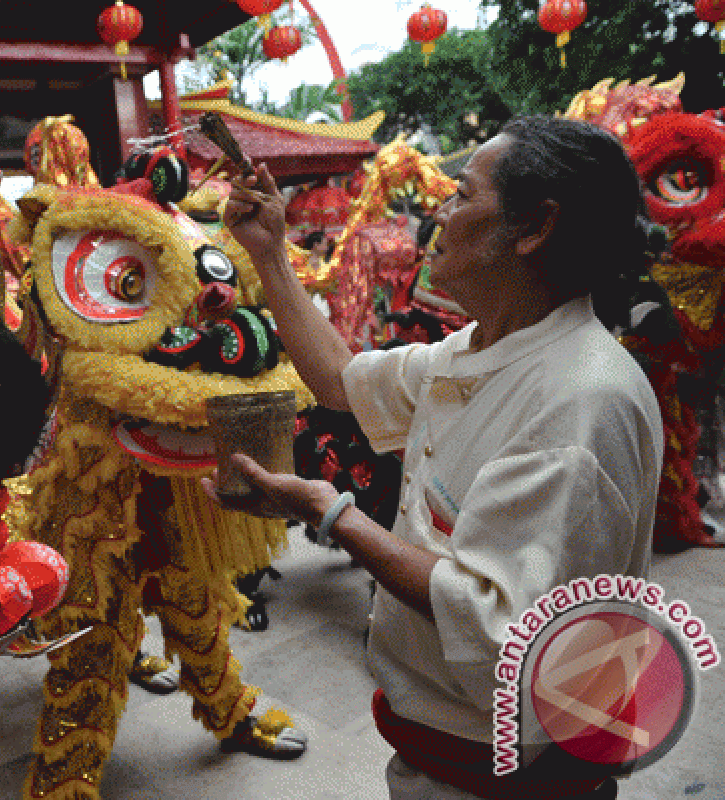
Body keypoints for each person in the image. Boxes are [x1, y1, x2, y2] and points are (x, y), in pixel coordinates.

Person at [208, 115, 664, 799]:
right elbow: (339, 382)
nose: (438, 213)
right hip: (439, 739)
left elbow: (500, 628)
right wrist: (270, 253)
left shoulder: (578, 401)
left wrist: (332, 515)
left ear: (534, 227)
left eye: (461, 194)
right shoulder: (473, 349)